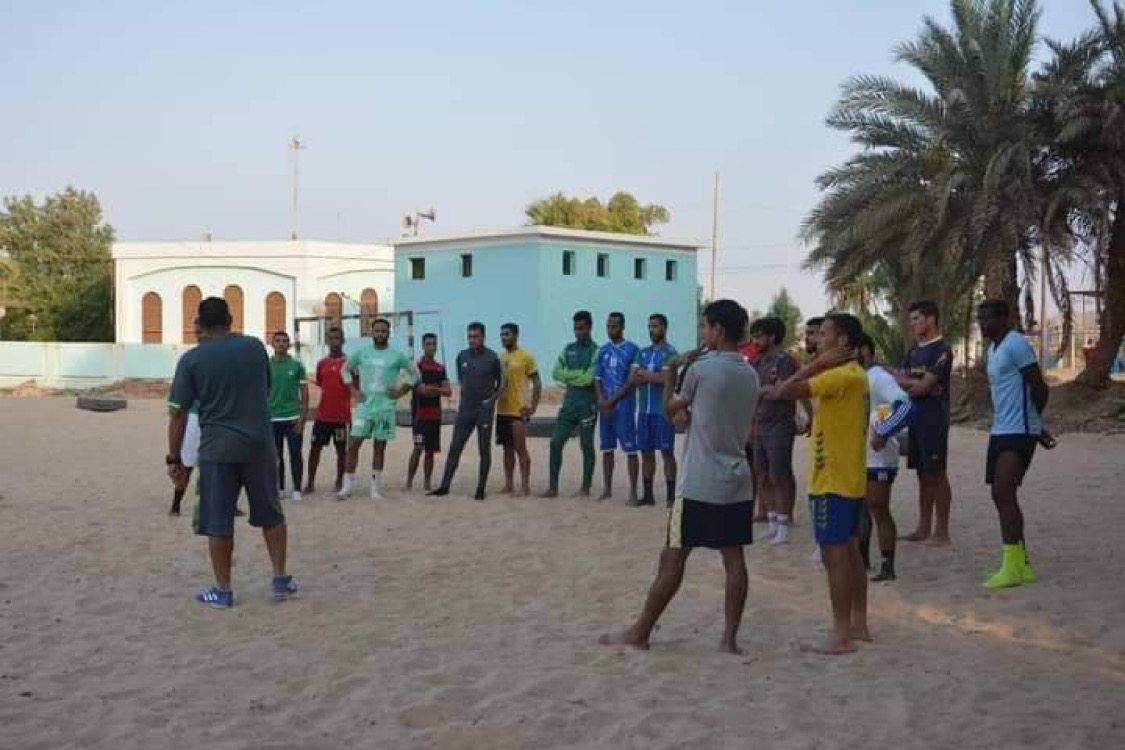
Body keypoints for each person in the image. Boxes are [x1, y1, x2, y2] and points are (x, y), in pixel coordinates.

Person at [599, 300, 759, 653]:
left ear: (717, 330)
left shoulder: (701, 369)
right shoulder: (749, 373)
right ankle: (729, 639)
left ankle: (640, 632)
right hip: (737, 478)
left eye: (704, 326)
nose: (701, 332)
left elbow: (672, 411)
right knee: (734, 559)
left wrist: (673, 369)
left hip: (700, 480)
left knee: (672, 558)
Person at [166, 297, 296, 608]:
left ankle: (223, 590)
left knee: (218, 521)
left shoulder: (191, 360)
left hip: (218, 448)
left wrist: (174, 457)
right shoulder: (254, 348)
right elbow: (264, 389)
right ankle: (280, 579)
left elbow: (179, 413)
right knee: (271, 514)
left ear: (199, 323)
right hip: (259, 444)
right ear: (230, 318)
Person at [762, 313, 870, 655]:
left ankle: (841, 634)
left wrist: (816, 364)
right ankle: (858, 624)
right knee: (849, 553)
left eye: (823, 334)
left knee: (834, 557)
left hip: (832, 480)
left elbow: (785, 390)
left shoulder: (839, 376)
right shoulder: (856, 374)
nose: (815, 339)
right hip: (848, 477)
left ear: (842, 342)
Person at [977, 299, 1050, 589]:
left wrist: (1035, 425)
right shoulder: (992, 349)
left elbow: (1039, 387)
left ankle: (1011, 567)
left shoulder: (1016, 344)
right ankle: (1022, 565)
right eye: (980, 318)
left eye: (987, 318)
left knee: (1003, 491)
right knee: (1000, 494)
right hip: (1001, 429)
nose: (982, 323)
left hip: (1019, 430)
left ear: (1005, 318)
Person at [893, 300, 954, 545]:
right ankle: (923, 527)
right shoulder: (913, 351)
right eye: (910, 320)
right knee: (922, 473)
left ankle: (942, 532)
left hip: (934, 419)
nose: (912, 324)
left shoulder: (942, 350)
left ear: (931, 319)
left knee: (937, 473)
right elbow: (902, 381)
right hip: (915, 418)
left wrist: (916, 383)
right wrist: (916, 383)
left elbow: (922, 387)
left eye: (916, 319)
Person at [338, 318, 419, 500]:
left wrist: (401, 390)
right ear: (372, 332)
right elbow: (344, 369)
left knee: (379, 447)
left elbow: (415, 374)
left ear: (388, 333)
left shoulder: (396, 356)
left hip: (385, 408)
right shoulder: (362, 353)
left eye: (383, 331)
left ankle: (375, 488)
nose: (380, 334)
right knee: (353, 443)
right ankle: (347, 485)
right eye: (377, 331)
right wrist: (353, 390)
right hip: (365, 406)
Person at [749, 316, 809, 545]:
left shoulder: (785, 361)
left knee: (778, 474)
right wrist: (764, 391)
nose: (755, 341)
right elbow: (756, 392)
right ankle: (773, 521)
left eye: (758, 336)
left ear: (772, 337)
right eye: (753, 337)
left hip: (779, 425)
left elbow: (784, 391)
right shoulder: (756, 363)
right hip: (758, 424)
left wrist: (808, 415)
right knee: (761, 474)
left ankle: (784, 523)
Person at [858, 334, 913, 582]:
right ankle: (862, 562)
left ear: (864, 350)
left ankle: (888, 566)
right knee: (861, 510)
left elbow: (905, 405)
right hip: (859, 455)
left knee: (878, 509)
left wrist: (884, 431)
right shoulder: (856, 377)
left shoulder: (878, 377)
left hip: (879, 457)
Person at [429, 322, 504, 501]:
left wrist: (490, 401)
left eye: (476, 337)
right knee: (455, 446)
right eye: (469, 337)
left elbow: (501, 384)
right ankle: (444, 486)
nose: (472, 340)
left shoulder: (493, 358)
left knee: (484, 449)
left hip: (484, 411)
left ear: (483, 337)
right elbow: (462, 380)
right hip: (465, 410)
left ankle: (480, 489)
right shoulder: (462, 356)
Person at [542, 311, 599, 498]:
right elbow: (556, 373)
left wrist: (569, 376)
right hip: (569, 405)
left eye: (581, 328)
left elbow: (589, 379)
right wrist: (577, 376)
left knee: (586, 446)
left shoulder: (596, 351)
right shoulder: (568, 349)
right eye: (575, 329)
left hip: (588, 405)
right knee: (555, 442)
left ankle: (585, 488)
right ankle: (553, 488)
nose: (578, 332)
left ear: (589, 328)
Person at [629, 314, 679, 507]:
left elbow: (666, 379)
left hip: (663, 412)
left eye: (655, 326)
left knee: (667, 452)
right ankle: (648, 495)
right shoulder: (642, 352)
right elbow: (632, 379)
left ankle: (671, 497)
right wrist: (653, 376)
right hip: (644, 412)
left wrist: (644, 373)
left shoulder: (671, 353)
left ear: (664, 328)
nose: (651, 330)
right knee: (646, 453)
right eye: (649, 326)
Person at [595, 312, 641, 503]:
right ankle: (607, 489)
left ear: (622, 327)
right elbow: (597, 378)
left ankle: (633, 492)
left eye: (614, 326)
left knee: (630, 450)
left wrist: (612, 401)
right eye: (608, 326)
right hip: (606, 407)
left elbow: (632, 381)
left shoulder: (633, 349)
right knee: (607, 449)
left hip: (624, 406)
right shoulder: (603, 350)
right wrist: (602, 400)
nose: (610, 329)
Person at [496, 323, 542, 497]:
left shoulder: (526, 357)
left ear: (516, 335)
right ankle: (509, 484)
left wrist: (532, 407)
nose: (503, 337)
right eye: (501, 334)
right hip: (502, 410)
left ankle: (525, 486)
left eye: (507, 334)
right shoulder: (500, 358)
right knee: (507, 450)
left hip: (518, 411)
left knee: (520, 449)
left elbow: (537, 384)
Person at [305, 327, 350, 495]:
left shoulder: (349, 363)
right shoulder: (321, 363)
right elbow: (321, 382)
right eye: (331, 338)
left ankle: (339, 481)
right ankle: (310, 483)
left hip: (341, 418)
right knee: (315, 449)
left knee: (341, 451)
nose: (334, 341)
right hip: (322, 416)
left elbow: (354, 386)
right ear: (327, 341)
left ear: (343, 340)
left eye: (337, 338)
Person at [407, 333, 451, 492]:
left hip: (435, 416)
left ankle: (427, 483)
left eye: (433, 344)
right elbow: (421, 390)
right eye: (428, 344)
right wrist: (437, 389)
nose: (431, 347)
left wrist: (434, 389)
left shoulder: (440, 368)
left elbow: (448, 391)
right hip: (419, 417)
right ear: (423, 346)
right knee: (418, 449)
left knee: (431, 452)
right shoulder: (417, 367)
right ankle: (409, 482)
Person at [268, 331, 309, 501]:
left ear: (289, 344)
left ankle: (297, 489)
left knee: (295, 454)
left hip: (292, 417)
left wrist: (302, 419)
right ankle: (280, 488)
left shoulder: (297, 366)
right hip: (271, 419)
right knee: (275, 456)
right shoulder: (266, 366)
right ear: (272, 344)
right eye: (278, 341)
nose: (281, 344)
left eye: (285, 341)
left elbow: (305, 395)